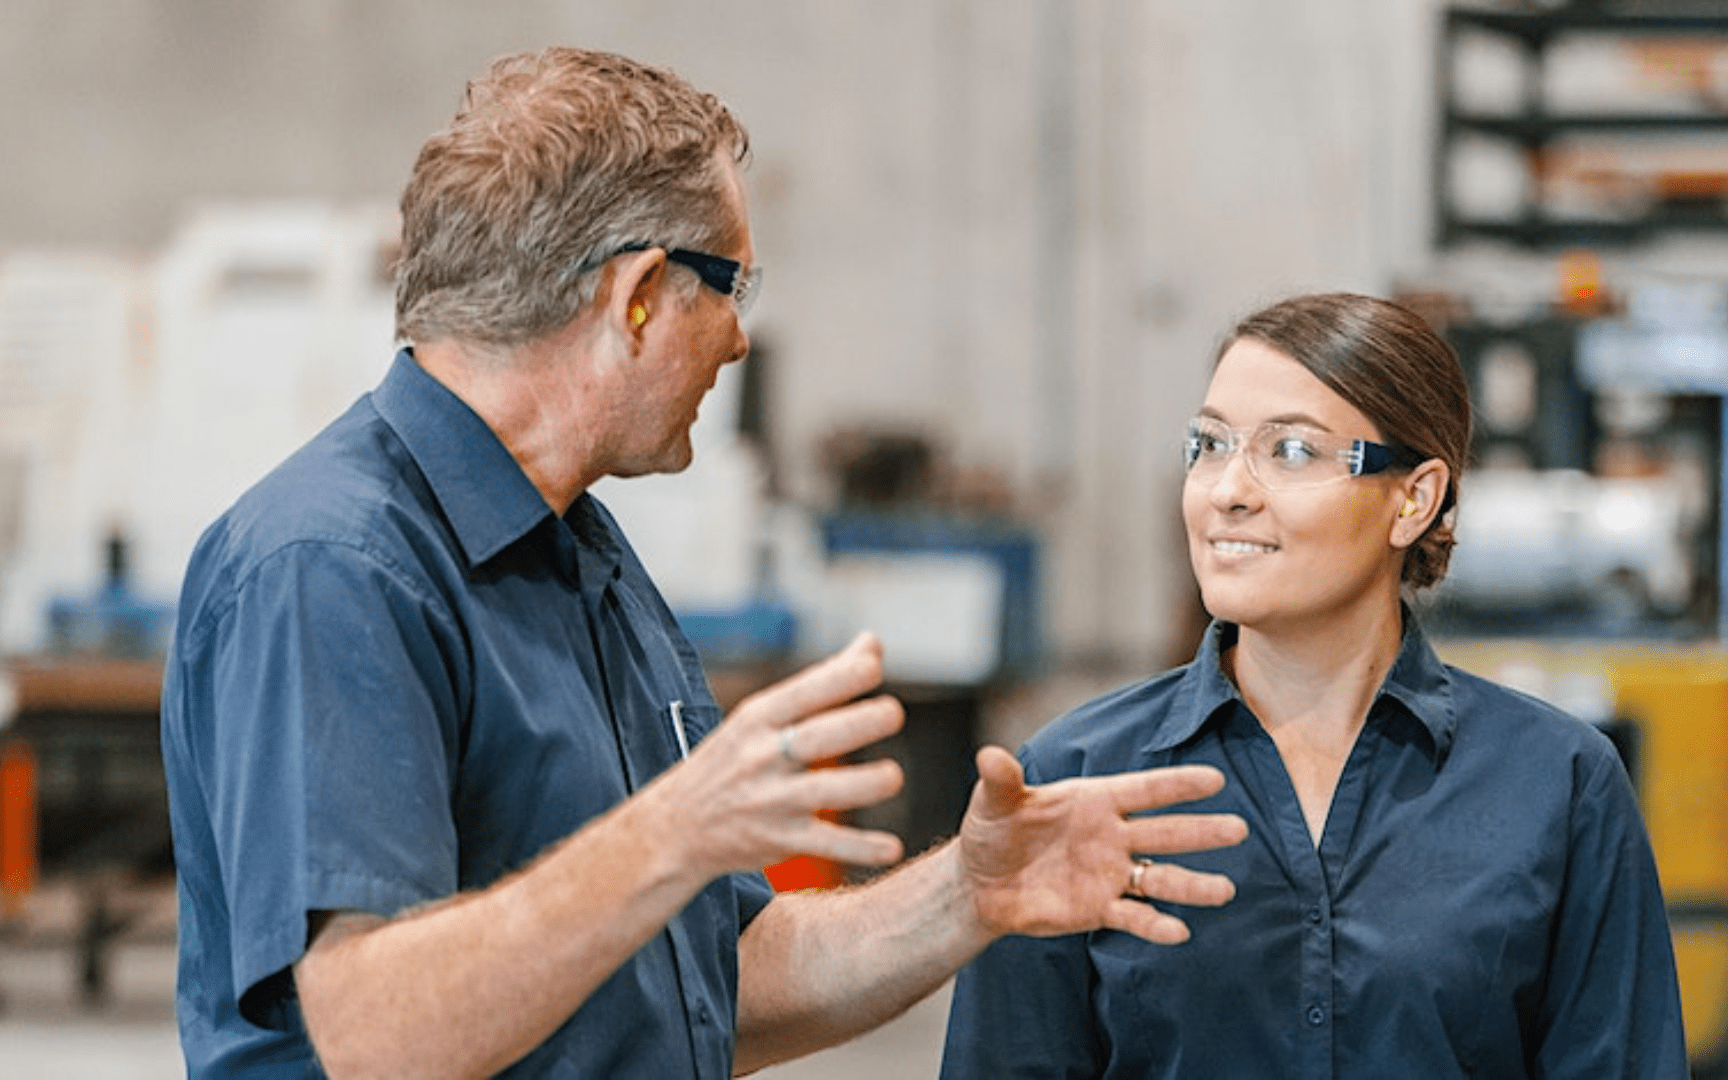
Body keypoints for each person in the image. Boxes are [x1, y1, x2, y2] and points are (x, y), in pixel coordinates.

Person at [159, 46, 1249, 1078]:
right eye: (730, 284)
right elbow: (374, 1038)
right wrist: (672, 833)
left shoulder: (578, 555)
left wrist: (966, 895)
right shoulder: (334, 568)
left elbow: (708, 987)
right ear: (636, 295)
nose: (738, 337)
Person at [940, 292, 1688, 1079]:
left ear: (1414, 499)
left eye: (1291, 451)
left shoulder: (1556, 785)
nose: (1228, 490)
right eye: (1209, 444)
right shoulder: (1077, 780)